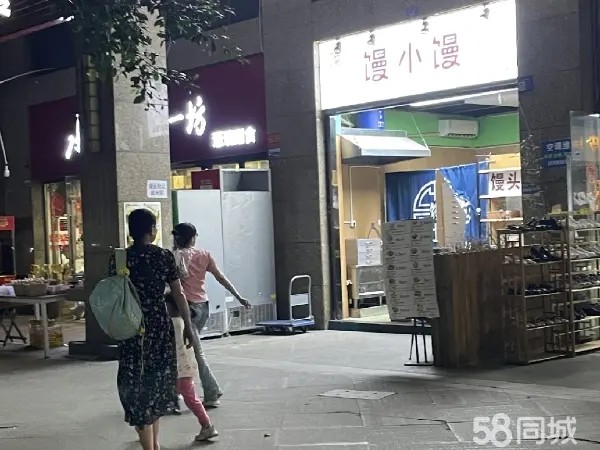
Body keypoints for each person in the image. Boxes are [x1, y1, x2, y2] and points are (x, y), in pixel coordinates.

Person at [111, 209, 196, 450]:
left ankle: (153, 446)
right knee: (156, 382)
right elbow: (179, 293)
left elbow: (114, 294)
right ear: (152, 230)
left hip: (131, 328)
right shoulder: (163, 256)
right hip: (158, 325)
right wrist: (188, 326)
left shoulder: (120, 259)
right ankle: (153, 445)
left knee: (136, 383)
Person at [172, 222, 251, 407]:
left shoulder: (175, 256)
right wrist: (239, 297)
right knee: (187, 348)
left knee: (191, 350)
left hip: (186, 309)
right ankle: (178, 392)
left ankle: (211, 391)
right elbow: (220, 277)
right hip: (203, 307)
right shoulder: (204, 255)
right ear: (193, 238)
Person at [166, 295, 219, 441]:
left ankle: (207, 426)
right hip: (187, 365)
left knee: (190, 398)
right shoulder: (187, 322)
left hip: (180, 368)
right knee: (189, 396)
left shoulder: (173, 323)